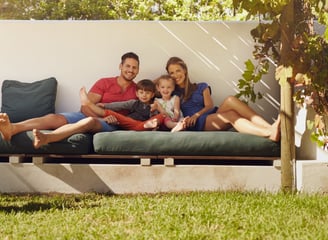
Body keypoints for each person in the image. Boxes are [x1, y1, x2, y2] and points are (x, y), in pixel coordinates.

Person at [0, 52, 140, 141]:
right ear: (120, 66)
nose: (131, 70)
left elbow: (159, 87)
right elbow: (85, 108)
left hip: (111, 125)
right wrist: (101, 116)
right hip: (91, 116)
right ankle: (13, 128)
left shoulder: (138, 90)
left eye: (134, 67)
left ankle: (47, 137)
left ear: (138, 70)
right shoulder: (105, 82)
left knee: (89, 121)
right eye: (128, 66)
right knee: (55, 118)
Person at [165, 56, 281, 141]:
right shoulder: (173, 92)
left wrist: (197, 114)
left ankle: (270, 128)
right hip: (195, 124)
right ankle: (268, 133)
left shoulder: (201, 86)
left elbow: (209, 106)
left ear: (185, 70)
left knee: (231, 100)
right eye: (171, 73)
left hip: (208, 115)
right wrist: (164, 78)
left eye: (178, 71)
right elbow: (152, 85)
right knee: (231, 115)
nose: (175, 75)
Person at [32, 79, 166, 149]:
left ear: (153, 94)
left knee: (104, 118)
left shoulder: (154, 105)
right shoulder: (133, 102)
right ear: (137, 93)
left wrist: (158, 111)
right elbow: (119, 105)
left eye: (147, 93)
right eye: (141, 92)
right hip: (125, 122)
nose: (144, 95)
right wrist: (104, 105)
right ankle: (40, 135)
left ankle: (88, 103)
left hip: (139, 125)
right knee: (113, 115)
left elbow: (164, 116)